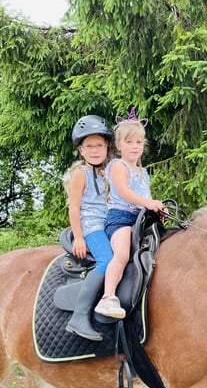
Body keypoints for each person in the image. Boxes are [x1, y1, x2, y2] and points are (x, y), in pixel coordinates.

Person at [94, 114, 166, 319]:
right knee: (123, 253)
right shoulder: (118, 166)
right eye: (129, 142)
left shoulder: (143, 173)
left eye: (139, 142)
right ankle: (107, 297)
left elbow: (146, 198)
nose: (135, 146)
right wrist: (148, 204)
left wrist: (157, 209)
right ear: (118, 145)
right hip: (120, 219)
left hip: (140, 220)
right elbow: (125, 192)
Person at [64, 115, 114, 340]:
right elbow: (74, 208)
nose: (95, 150)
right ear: (81, 150)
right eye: (89, 146)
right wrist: (80, 238)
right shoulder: (80, 174)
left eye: (99, 146)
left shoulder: (107, 173)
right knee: (107, 260)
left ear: (107, 148)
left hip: (109, 225)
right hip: (92, 226)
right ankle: (79, 316)